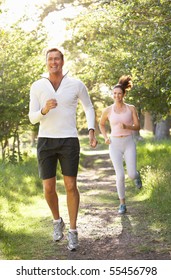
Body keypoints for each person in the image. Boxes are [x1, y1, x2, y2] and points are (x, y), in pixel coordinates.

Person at [29, 47, 97, 250]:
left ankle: (73, 231)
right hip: (46, 141)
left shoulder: (76, 84)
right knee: (48, 188)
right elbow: (32, 118)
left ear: (63, 61)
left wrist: (92, 130)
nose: (53, 62)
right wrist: (44, 109)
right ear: (46, 62)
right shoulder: (38, 85)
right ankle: (57, 221)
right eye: (50, 59)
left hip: (68, 140)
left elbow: (89, 107)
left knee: (70, 186)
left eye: (56, 58)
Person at [99, 75, 142, 214]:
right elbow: (101, 124)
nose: (117, 96)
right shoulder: (108, 110)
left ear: (124, 94)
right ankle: (122, 203)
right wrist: (105, 137)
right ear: (113, 95)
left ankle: (136, 176)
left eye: (119, 93)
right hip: (115, 144)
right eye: (114, 94)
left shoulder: (131, 108)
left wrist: (127, 126)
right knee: (120, 175)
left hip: (129, 142)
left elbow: (137, 126)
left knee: (130, 174)